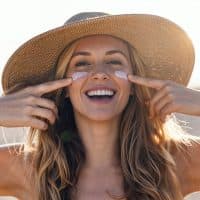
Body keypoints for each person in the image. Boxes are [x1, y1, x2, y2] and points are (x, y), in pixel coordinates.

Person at [0, 12, 200, 200]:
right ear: (64, 88)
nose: (99, 73)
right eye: (82, 63)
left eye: (114, 61)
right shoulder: (29, 168)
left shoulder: (175, 161)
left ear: (134, 84)